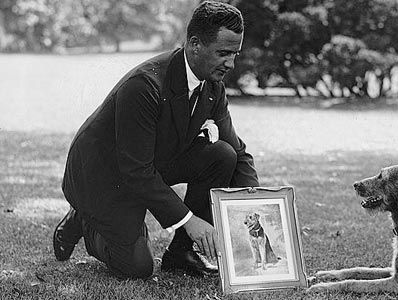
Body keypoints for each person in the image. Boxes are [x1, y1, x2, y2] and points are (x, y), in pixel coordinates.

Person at [53, 1, 258, 279]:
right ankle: (84, 217)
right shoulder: (144, 86)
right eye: (223, 53)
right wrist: (189, 220)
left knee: (223, 155)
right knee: (138, 268)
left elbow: (238, 151)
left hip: (146, 164)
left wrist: (256, 203)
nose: (231, 64)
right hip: (102, 177)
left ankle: (181, 255)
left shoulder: (213, 86)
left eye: (235, 54)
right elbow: (136, 171)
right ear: (195, 44)